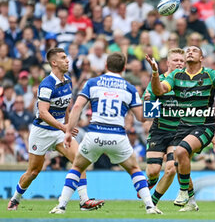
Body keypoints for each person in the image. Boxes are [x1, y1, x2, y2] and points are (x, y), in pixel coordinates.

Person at [49, 52, 162, 215]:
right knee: (135, 170)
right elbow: (142, 118)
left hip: (94, 134)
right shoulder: (129, 87)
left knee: (77, 167)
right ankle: (150, 206)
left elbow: (76, 107)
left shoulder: (92, 83)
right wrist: (152, 102)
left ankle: (61, 206)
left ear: (106, 66)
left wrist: (68, 131)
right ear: (124, 68)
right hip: (117, 136)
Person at [147, 33, 215, 211]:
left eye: (194, 50)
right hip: (182, 127)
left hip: (204, 126)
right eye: (187, 50)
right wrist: (154, 73)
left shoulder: (210, 74)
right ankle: (191, 201)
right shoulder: (176, 75)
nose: (190, 52)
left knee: (181, 153)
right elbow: (159, 91)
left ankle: (176, 194)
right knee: (182, 163)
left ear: (201, 58)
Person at [7, 48, 104, 211]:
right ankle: (15, 199)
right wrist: (63, 127)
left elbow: (66, 107)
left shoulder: (68, 81)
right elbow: (43, 112)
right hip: (42, 132)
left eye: (67, 57)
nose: (67, 60)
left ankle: (84, 201)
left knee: (80, 159)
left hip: (59, 132)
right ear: (54, 63)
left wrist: (68, 126)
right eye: (63, 58)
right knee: (33, 171)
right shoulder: (46, 84)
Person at [142, 48, 199, 211]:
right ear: (167, 63)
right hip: (159, 131)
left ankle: (152, 203)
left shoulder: (189, 83)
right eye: (176, 60)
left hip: (179, 133)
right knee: (153, 171)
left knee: (172, 167)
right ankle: (153, 181)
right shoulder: (158, 81)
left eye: (182, 61)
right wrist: (149, 99)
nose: (179, 63)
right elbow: (148, 113)